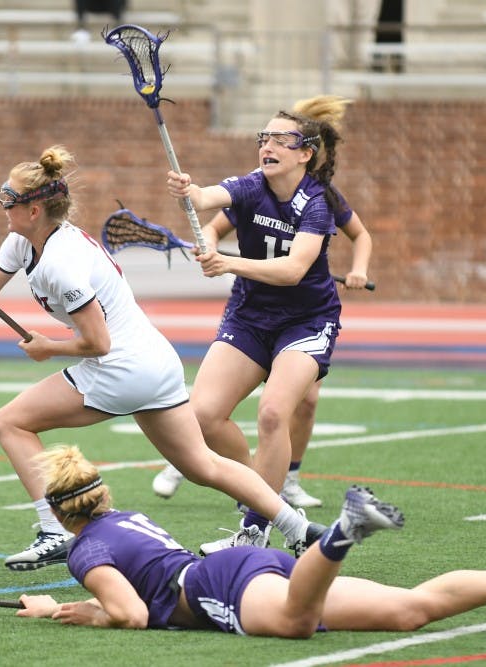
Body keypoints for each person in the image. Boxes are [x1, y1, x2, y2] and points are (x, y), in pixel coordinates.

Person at [0, 145, 324, 571]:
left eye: (8, 199)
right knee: (204, 465)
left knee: (10, 422)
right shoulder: (22, 243)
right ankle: (299, 528)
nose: (3, 207)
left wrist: (47, 347)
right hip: (155, 361)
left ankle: (53, 530)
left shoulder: (60, 263)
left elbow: (98, 343)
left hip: (120, 366)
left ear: (35, 209)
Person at [16, 444, 486, 635]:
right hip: (247, 565)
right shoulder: (123, 518)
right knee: (407, 611)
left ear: (63, 515)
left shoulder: (85, 548)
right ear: (101, 495)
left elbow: (132, 614)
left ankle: (345, 529)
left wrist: (59, 611)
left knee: (295, 624)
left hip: (218, 584)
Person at [161, 96, 362, 556]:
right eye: (263, 138)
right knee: (202, 416)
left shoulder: (316, 203)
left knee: (274, 413)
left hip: (306, 321)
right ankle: (262, 492)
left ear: (305, 152)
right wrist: (187, 189)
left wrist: (228, 263)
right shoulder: (253, 186)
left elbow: (293, 271)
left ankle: (254, 529)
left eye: (280, 139)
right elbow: (208, 198)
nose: (267, 145)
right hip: (249, 317)